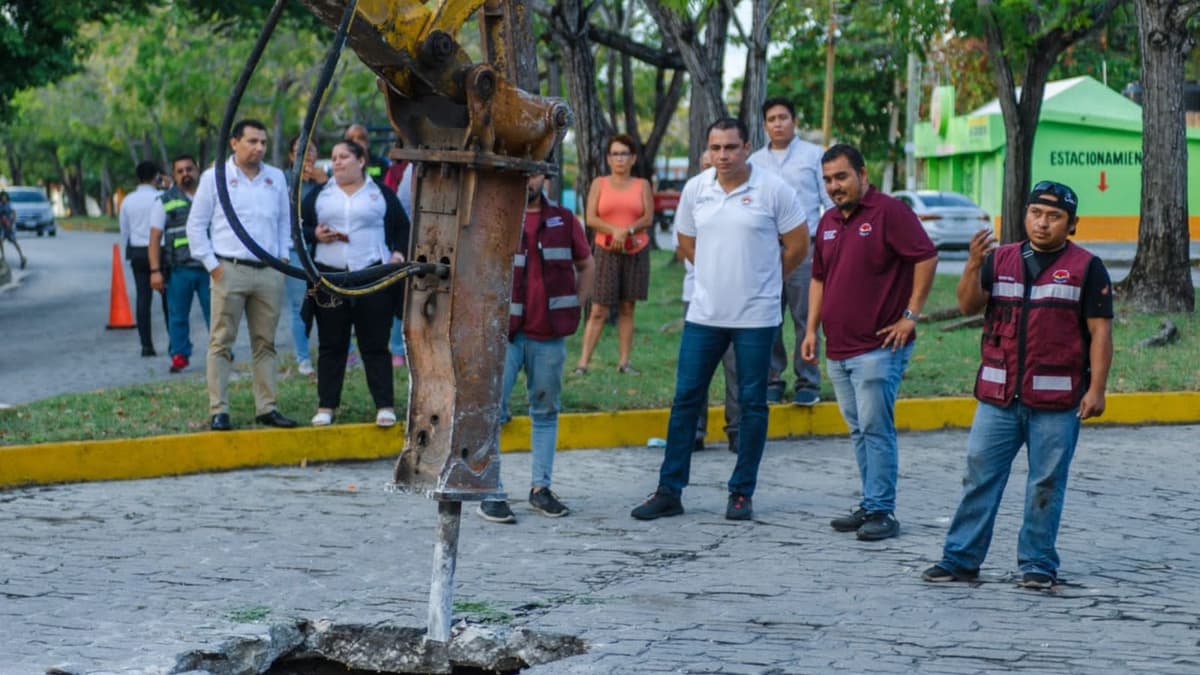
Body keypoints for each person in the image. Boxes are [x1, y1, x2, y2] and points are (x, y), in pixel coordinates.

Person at [922, 181, 1113, 589]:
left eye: (1054, 217)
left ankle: (1038, 564)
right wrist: (974, 264)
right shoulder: (999, 259)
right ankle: (960, 559)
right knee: (979, 477)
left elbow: (1100, 332)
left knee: (1046, 482)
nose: (1043, 223)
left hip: (1057, 400)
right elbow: (968, 306)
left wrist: (1096, 389)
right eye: (1036, 214)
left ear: (1072, 224)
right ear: (1025, 216)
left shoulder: (1087, 267)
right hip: (997, 397)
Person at [630, 118, 808, 522]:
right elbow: (686, 242)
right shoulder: (696, 189)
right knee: (685, 400)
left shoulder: (772, 189)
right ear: (708, 150)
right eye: (716, 148)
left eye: (731, 147)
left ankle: (741, 492)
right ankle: (669, 490)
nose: (723, 155)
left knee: (751, 404)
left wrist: (764, 278)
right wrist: (715, 274)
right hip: (705, 313)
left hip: (756, 317)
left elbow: (798, 244)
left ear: (747, 147)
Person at [800, 143, 938, 541]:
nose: (834, 186)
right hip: (837, 348)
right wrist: (811, 330)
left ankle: (883, 511)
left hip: (878, 349)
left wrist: (910, 316)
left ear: (862, 174)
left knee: (876, 429)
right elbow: (819, 279)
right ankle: (870, 502)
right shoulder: (827, 221)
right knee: (859, 430)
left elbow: (925, 257)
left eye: (841, 177)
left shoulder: (889, 212)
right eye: (827, 180)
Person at [477, 172, 594, 524]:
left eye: (535, 172)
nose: (528, 179)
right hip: (505, 336)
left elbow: (586, 264)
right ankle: (491, 492)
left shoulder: (563, 218)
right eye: (522, 171)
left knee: (545, 411)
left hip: (549, 334)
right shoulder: (495, 218)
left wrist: (575, 305)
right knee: (491, 413)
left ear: (545, 176)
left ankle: (540, 489)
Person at [186, 119, 298, 431]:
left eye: (263, 142)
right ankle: (219, 410)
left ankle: (267, 407)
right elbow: (195, 226)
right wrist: (213, 265)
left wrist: (283, 257)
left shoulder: (275, 177)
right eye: (252, 141)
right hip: (229, 269)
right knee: (221, 342)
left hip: (268, 272)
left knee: (266, 343)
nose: (259, 148)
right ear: (235, 143)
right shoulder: (215, 177)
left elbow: (283, 223)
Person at [300, 140, 410, 428]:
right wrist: (317, 234)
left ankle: (384, 405)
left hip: (371, 274)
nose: (336, 162)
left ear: (361, 161)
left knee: (374, 344)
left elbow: (402, 226)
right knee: (331, 344)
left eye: (344, 157)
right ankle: (326, 406)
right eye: (334, 157)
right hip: (330, 275)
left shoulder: (380, 193)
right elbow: (301, 228)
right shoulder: (320, 195)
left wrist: (398, 252)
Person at [749, 97, 833, 406]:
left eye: (783, 117)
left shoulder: (813, 156)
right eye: (772, 119)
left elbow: (829, 200)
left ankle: (807, 382)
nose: (778, 124)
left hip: (805, 247)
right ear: (764, 125)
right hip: (765, 249)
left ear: (794, 121)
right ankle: (772, 378)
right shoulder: (755, 162)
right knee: (770, 315)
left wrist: (827, 242)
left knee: (805, 316)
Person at [574, 134, 653, 375]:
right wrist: (616, 231)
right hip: (606, 250)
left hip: (636, 249)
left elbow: (648, 217)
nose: (620, 158)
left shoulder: (642, 185)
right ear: (609, 158)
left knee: (628, 307)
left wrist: (628, 231)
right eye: (615, 154)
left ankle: (624, 362)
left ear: (633, 158)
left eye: (625, 153)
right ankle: (583, 363)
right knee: (598, 308)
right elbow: (591, 218)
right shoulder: (600, 184)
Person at [149, 155, 210, 373]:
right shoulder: (164, 201)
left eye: (189, 169)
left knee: (216, 314)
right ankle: (179, 355)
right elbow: (155, 238)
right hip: (178, 270)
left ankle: (222, 352)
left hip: (209, 268)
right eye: (180, 171)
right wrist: (155, 271)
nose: (186, 174)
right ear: (173, 175)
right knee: (177, 316)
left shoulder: (210, 196)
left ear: (197, 170)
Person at [286, 134, 329, 376]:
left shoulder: (326, 180)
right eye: (301, 150)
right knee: (299, 305)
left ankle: (346, 352)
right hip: (295, 249)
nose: (308, 155)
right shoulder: (285, 181)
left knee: (331, 301)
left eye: (312, 150)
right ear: (292, 156)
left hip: (323, 250)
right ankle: (303, 358)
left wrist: (324, 182)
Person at [119, 160, 168, 357]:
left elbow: (124, 231)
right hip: (162, 251)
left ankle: (146, 345)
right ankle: (175, 341)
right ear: (156, 176)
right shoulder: (162, 197)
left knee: (143, 299)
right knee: (168, 299)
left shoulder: (128, 200)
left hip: (138, 252)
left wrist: (129, 251)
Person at [0, 191, 28, 270]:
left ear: (7, 197)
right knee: (1, 240)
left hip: (9, 227)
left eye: (5, 197)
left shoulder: (9, 205)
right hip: (2, 227)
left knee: (14, 242)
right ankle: (3, 257)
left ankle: (22, 257)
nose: (3, 198)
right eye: (2, 197)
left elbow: (13, 213)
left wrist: (12, 222)